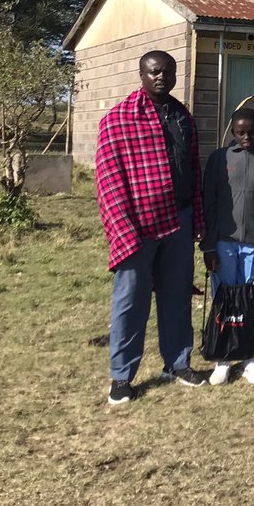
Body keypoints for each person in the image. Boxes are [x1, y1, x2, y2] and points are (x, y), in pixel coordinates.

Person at [97, 50, 207, 405]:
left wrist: (198, 219)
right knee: (131, 303)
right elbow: (108, 183)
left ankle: (177, 363)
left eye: (168, 71)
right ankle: (122, 376)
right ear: (142, 75)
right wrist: (122, 230)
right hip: (138, 225)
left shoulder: (182, 117)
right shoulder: (118, 119)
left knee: (176, 299)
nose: (161, 77)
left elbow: (193, 173)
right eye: (154, 71)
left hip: (179, 219)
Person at [199, 107, 254, 385]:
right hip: (224, 242)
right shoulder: (219, 159)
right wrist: (208, 246)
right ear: (232, 132)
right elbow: (208, 203)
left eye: (251, 132)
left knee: (252, 300)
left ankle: (248, 357)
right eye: (240, 132)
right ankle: (223, 359)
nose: (246, 137)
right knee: (223, 297)